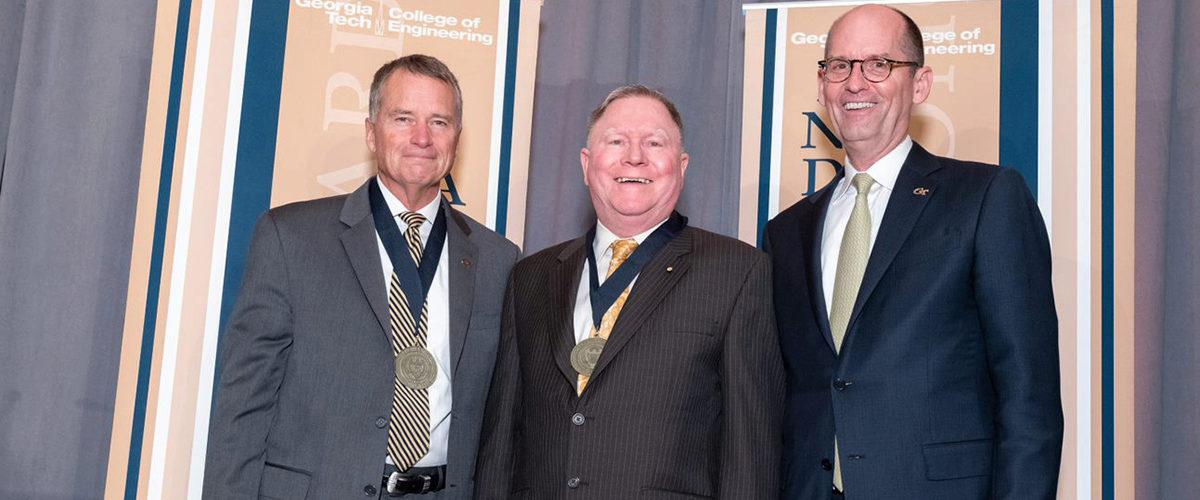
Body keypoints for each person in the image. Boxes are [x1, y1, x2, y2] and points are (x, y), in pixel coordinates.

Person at [764, 5, 1063, 499]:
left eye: (879, 64)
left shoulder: (985, 198)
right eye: (839, 66)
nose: (855, 83)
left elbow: (1028, 395)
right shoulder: (786, 232)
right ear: (822, 87)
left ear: (920, 84)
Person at [203, 54, 518, 499]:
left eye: (439, 122)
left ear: (457, 138)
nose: (422, 138)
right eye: (403, 118)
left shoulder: (499, 260)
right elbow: (243, 405)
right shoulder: (290, 239)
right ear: (372, 131)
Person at [475, 85, 784, 499]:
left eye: (654, 142)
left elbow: (751, 454)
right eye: (616, 141)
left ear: (682, 164)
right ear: (587, 164)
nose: (634, 156)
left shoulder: (738, 273)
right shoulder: (530, 277)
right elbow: (502, 442)